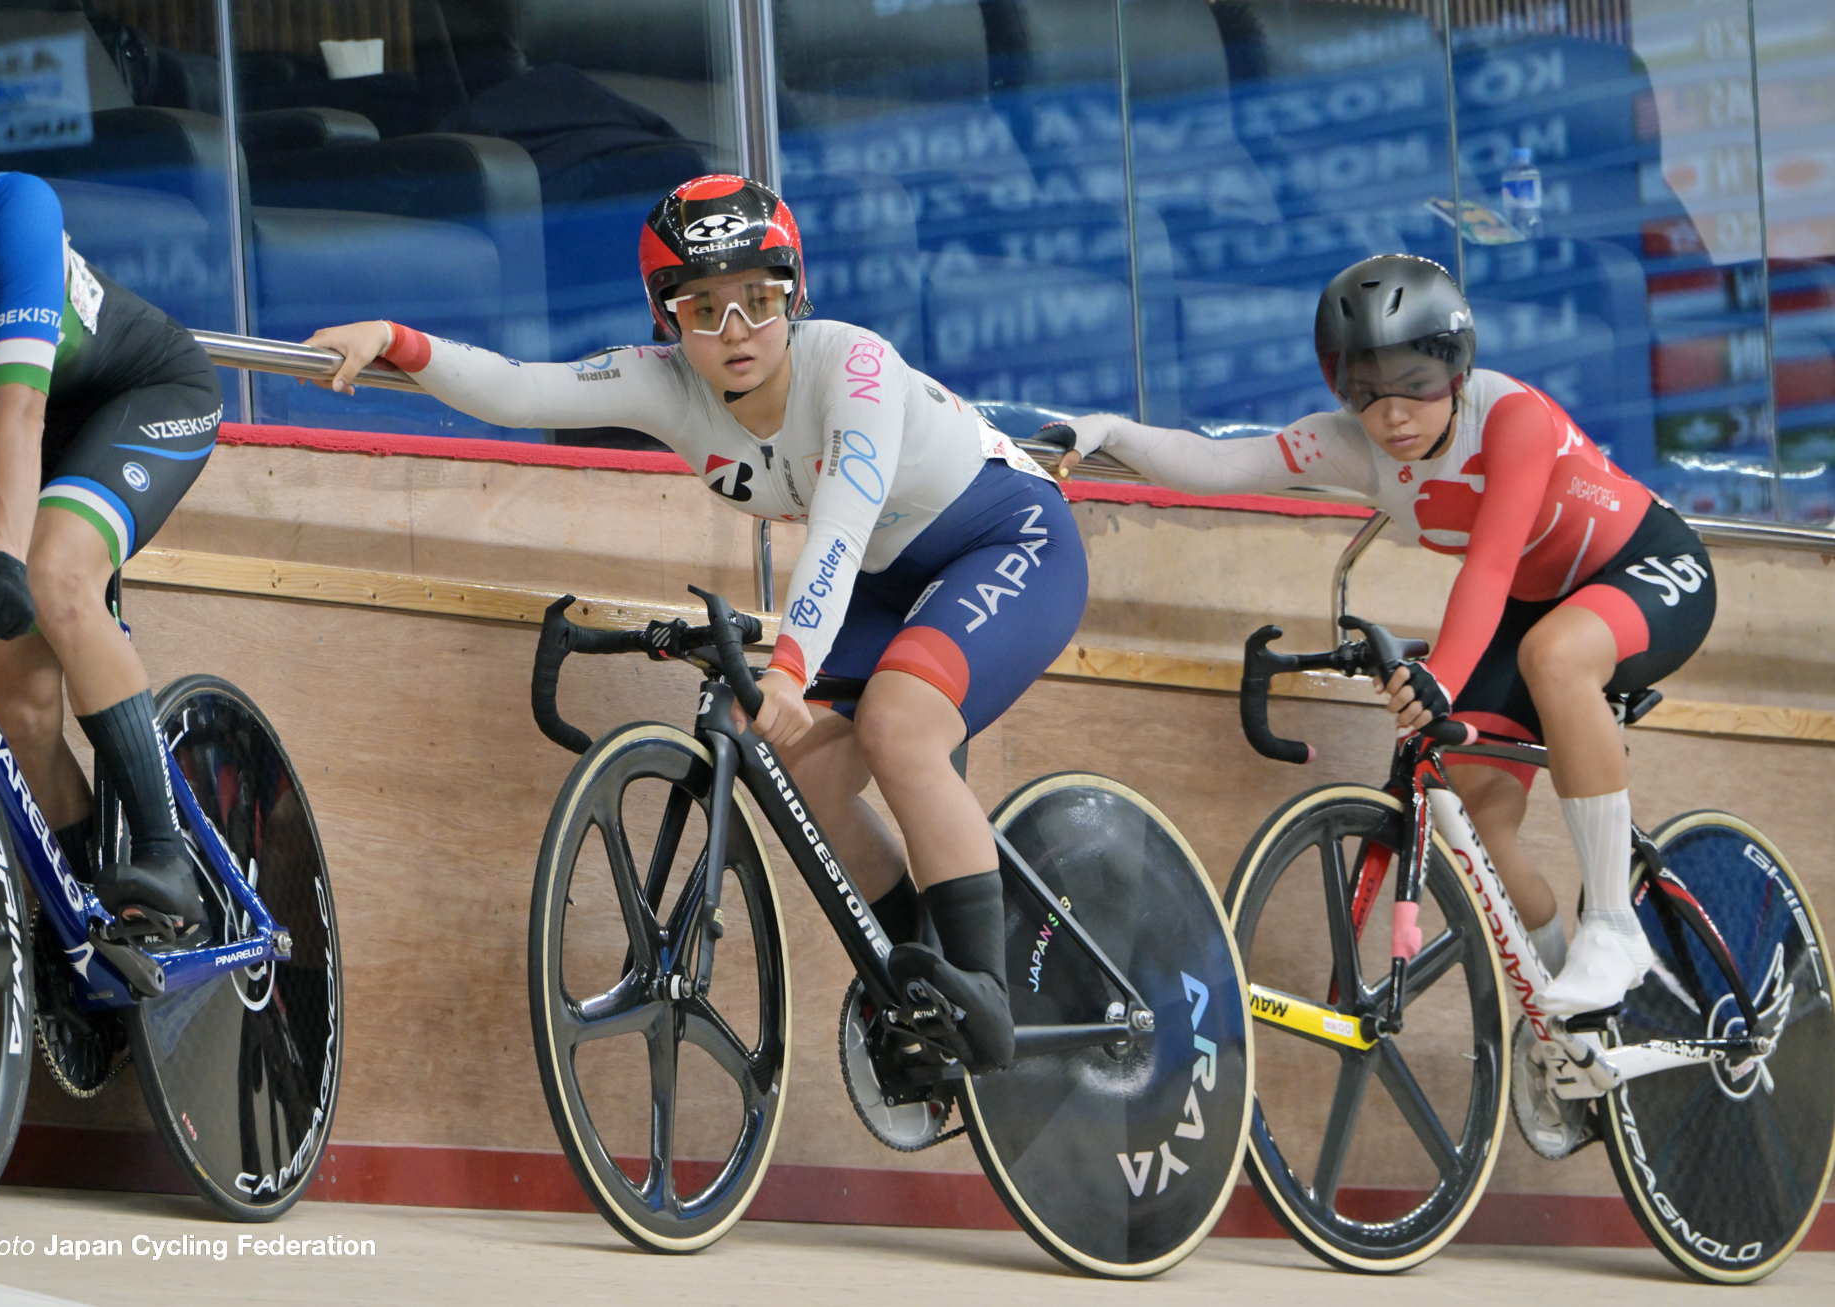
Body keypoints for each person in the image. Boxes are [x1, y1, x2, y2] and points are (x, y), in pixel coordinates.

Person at [307, 174, 1087, 1071]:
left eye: (759, 300)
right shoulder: (667, 384)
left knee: (899, 724)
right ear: (665, 317)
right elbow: (523, 391)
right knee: (796, 770)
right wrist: (395, 339)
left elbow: (837, 530)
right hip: (887, 573)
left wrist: (791, 667)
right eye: (701, 307)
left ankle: (983, 991)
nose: (734, 332)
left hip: (1004, 536)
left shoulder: (853, 366)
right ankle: (920, 976)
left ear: (795, 294)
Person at [1046, 254, 1714, 1018]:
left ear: (1456, 370)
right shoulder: (1356, 445)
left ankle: (1614, 928)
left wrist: (1445, 677)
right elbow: (1218, 462)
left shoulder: (1510, 418)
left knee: (1555, 656)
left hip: (1648, 566)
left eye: (1416, 386)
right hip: (1536, 606)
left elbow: (1490, 568)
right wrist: (1108, 431)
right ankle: (1574, 1026)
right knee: (1484, 825)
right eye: (1365, 390)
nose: (1392, 414)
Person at [0, 71, 223, 942]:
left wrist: (3, 555)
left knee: (55, 575)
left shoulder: (16, 209)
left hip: (139, 395)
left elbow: (23, 411)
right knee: (15, 701)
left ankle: (165, 855)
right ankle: (79, 923)